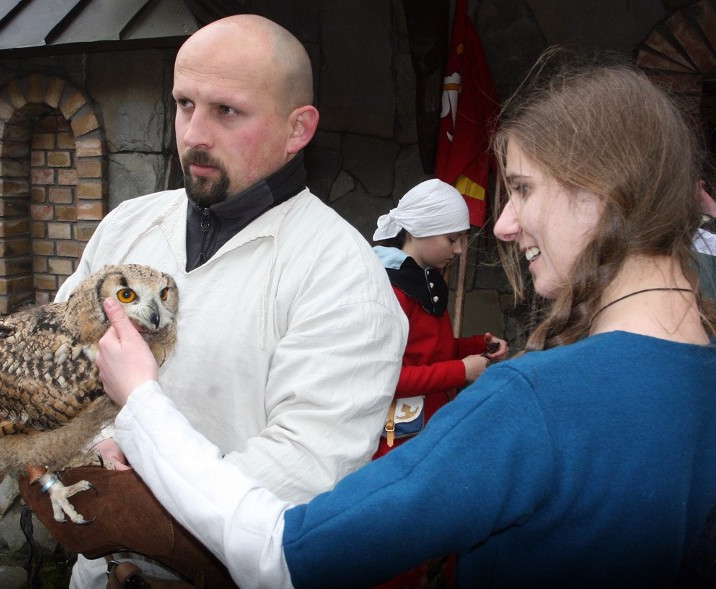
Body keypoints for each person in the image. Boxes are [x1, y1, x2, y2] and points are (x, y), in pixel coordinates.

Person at [95, 49, 716, 588]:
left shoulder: (536, 404)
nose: (502, 224)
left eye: (523, 189)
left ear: (601, 191)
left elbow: (281, 555)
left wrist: (144, 403)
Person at [52, 14, 408, 588]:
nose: (194, 133)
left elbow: (306, 465)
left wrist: (139, 508)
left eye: (227, 111)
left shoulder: (341, 275)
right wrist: (95, 451)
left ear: (298, 129)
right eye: (184, 103)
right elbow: (58, 364)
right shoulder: (127, 227)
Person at [371, 179, 508, 460]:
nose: (459, 250)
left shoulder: (426, 280)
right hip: (397, 444)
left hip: (427, 431)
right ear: (422, 230)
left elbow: (431, 352)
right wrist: (461, 370)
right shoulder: (391, 289)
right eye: (452, 239)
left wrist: (474, 347)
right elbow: (385, 378)